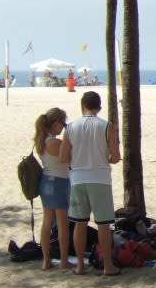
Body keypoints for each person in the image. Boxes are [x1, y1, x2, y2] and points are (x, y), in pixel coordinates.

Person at [59, 91, 121, 275]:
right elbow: (116, 157)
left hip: (78, 178)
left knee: (80, 223)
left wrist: (78, 160)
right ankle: (108, 265)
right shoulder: (107, 126)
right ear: (99, 108)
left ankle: (79, 264)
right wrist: (104, 158)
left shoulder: (70, 127)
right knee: (103, 224)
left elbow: (64, 157)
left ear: (82, 106)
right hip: (100, 178)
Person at [34, 107, 71, 271]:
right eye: (62, 123)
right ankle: (64, 260)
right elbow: (70, 156)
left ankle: (46, 260)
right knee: (62, 223)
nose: (63, 127)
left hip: (45, 182)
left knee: (47, 222)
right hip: (59, 182)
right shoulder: (55, 142)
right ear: (56, 123)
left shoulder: (42, 140)